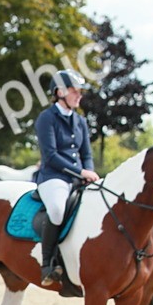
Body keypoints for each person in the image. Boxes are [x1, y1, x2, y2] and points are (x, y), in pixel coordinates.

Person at [34, 70, 100, 285]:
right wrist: (80, 172)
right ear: (60, 92)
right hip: (54, 177)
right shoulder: (46, 118)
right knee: (57, 210)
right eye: (74, 91)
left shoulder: (80, 121)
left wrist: (89, 174)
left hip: (79, 179)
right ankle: (47, 264)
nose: (79, 95)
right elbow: (51, 155)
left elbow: (86, 155)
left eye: (80, 91)